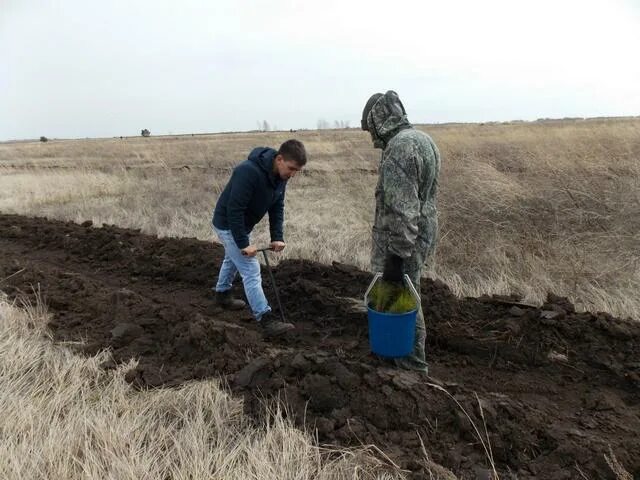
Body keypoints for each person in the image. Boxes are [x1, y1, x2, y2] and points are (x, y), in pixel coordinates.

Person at [361, 91, 441, 372]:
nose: (371, 137)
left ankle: (411, 365)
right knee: (404, 293)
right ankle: (395, 354)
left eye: (370, 128)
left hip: (404, 240)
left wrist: (396, 256)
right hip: (423, 232)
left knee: (405, 298)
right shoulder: (422, 139)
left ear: (378, 121)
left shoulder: (399, 149)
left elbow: (403, 209)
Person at [212, 139, 307, 337]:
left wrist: (277, 237)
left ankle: (222, 294)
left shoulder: (281, 178)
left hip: (242, 225)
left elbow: (276, 207)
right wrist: (243, 243)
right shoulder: (247, 172)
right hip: (227, 223)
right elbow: (234, 209)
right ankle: (265, 319)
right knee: (250, 267)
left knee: (232, 258)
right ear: (279, 159)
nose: (293, 174)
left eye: (296, 170)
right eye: (291, 168)